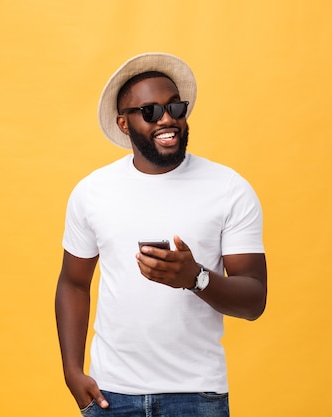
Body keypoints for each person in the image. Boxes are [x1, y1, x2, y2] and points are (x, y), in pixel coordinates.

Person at [55, 52, 267, 417]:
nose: (168, 119)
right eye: (150, 111)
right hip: (112, 395)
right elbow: (73, 283)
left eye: (176, 108)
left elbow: (254, 300)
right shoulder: (93, 192)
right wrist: (72, 372)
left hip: (197, 396)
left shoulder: (229, 188)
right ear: (124, 123)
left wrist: (195, 278)